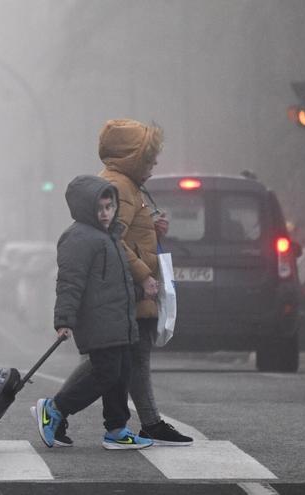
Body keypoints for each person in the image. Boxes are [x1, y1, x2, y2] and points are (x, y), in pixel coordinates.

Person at [61, 118, 191, 446]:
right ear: (132, 157)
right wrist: (143, 275)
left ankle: (144, 422)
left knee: (121, 361)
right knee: (120, 362)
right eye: (149, 157)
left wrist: (153, 228)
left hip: (129, 289)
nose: (154, 164)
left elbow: (123, 234)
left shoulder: (128, 185)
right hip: (127, 291)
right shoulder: (119, 186)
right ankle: (59, 410)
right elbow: (111, 241)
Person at [34, 175, 152, 450]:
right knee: (106, 373)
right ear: (85, 209)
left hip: (118, 322)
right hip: (98, 323)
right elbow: (69, 282)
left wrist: (140, 293)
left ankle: (116, 430)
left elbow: (113, 284)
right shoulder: (78, 238)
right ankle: (55, 408)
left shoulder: (109, 237)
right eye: (99, 208)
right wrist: (64, 320)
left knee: (120, 374)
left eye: (109, 207)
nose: (106, 213)